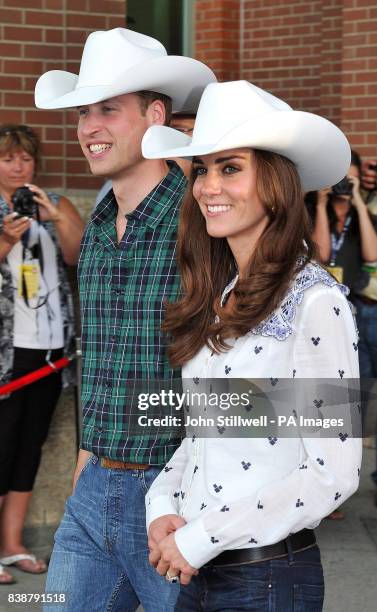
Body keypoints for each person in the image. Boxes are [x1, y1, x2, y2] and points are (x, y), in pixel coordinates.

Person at [141, 80, 362, 611]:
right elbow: (206, 433)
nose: (208, 186)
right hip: (197, 569)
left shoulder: (316, 302)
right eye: (202, 169)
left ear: (277, 183)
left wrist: (200, 538)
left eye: (231, 167)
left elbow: (332, 472)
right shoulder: (223, 294)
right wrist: (162, 505)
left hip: (266, 580)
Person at [34, 27, 216, 611]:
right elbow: (104, 358)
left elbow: (264, 381)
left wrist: (207, 494)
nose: (89, 127)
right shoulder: (95, 228)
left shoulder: (203, 225)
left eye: (108, 110)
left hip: (176, 497)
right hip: (93, 493)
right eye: (84, 112)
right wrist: (87, 464)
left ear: (155, 115)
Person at [0, 124, 83, 584]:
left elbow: (78, 256)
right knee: (2, 445)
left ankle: (12, 545)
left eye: (26, 159)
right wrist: (7, 241)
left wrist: (56, 218)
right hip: (6, 354)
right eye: (8, 158)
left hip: (51, 349)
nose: (18, 166)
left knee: (29, 446)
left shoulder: (55, 203)